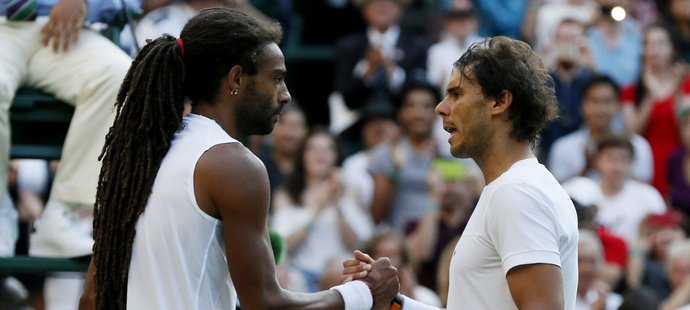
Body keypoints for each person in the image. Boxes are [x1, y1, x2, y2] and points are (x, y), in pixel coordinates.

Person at [79, 8, 398, 309]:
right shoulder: (233, 164)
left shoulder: (141, 155)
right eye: (276, 78)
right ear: (235, 79)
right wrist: (363, 293)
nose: (285, 94)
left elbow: (91, 299)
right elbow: (266, 304)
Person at [346, 36, 580, 309]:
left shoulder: (516, 192)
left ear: (499, 102)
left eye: (456, 94)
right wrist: (393, 303)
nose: (440, 107)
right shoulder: (517, 187)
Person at [271, 128, 373, 292]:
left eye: (328, 148)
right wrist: (317, 213)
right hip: (298, 279)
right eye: (313, 148)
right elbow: (282, 246)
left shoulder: (349, 193)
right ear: (303, 156)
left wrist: (338, 206)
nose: (321, 154)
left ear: (336, 156)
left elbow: (360, 245)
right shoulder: (287, 195)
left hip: (339, 278)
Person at [621, 23, 689, 197]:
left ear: (673, 49)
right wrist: (650, 96)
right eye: (648, 44)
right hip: (643, 163)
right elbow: (631, 132)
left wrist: (678, 90)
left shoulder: (686, 84)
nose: (654, 49)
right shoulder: (631, 89)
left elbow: (684, 129)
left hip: (678, 161)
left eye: (661, 43)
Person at [548, 74, 653, 183]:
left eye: (607, 101)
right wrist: (587, 169)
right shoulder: (563, 148)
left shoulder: (638, 145)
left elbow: (643, 187)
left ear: (618, 105)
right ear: (582, 106)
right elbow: (559, 192)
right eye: (594, 101)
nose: (601, 109)